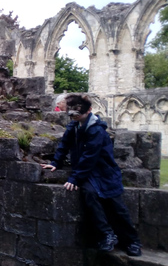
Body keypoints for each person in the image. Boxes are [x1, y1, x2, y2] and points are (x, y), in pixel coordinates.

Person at [41, 94, 142, 256]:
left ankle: (132, 241)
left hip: (104, 172)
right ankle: (106, 234)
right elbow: (64, 145)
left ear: (89, 111)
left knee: (117, 207)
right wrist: (55, 163)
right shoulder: (73, 126)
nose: (73, 117)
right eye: (71, 114)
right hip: (89, 173)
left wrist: (75, 178)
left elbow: (90, 156)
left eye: (76, 114)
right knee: (90, 195)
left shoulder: (96, 130)